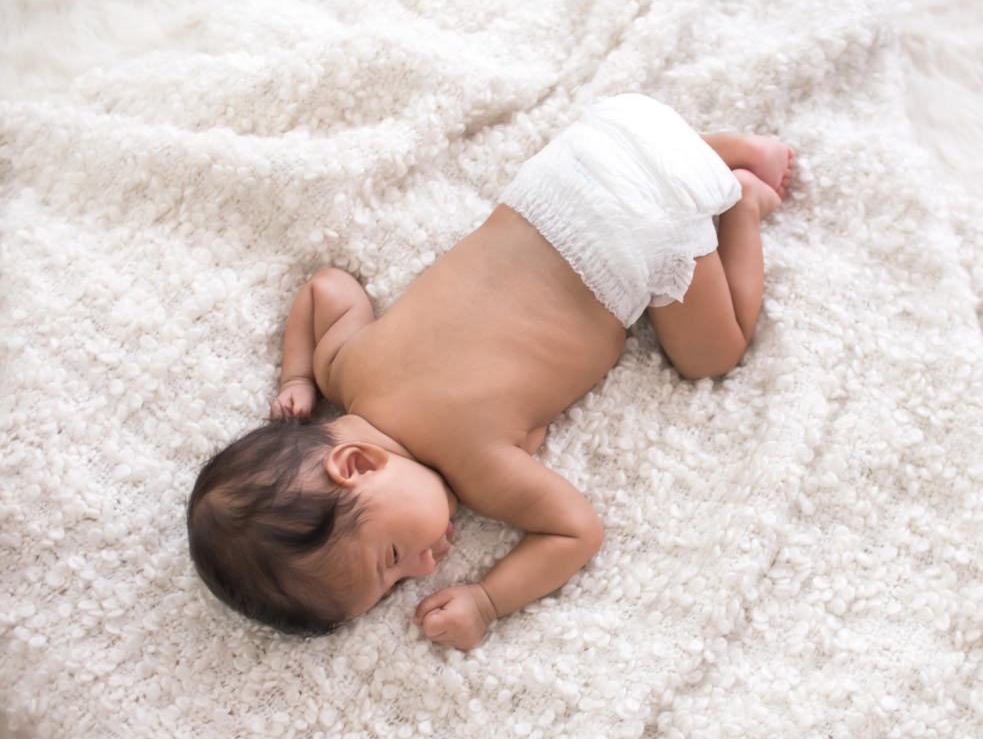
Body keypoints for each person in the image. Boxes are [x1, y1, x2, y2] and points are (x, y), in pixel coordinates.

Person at [187, 94, 794, 649]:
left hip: (641, 237)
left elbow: (577, 532)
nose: (424, 567)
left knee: (712, 357)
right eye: (402, 580)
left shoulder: (479, 469)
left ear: (356, 466)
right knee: (642, 176)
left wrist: (487, 600)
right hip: (579, 163)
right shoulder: (343, 367)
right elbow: (327, 287)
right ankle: (718, 151)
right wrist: (297, 377)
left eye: (393, 557)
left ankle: (739, 204)